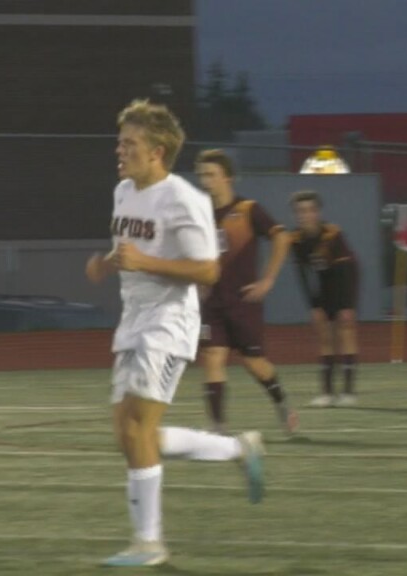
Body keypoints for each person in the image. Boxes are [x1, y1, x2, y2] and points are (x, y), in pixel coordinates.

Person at [85, 100, 265, 567]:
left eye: (130, 143)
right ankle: (237, 448)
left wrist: (147, 263)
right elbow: (127, 248)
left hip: (169, 325)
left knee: (139, 427)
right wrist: (105, 264)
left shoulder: (184, 199)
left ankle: (150, 543)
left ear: (158, 151)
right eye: (120, 141)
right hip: (133, 320)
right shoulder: (124, 190)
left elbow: (207, 269)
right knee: (129, 435)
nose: (120, 150)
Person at [195, 149, 298, 435]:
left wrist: (267, 280)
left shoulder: (249, 210)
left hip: (243, 302)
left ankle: (281, 403)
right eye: (202, 175)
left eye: (211, 175)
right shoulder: (198, 214)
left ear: (227, 177)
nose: (205, 181)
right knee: (213, 357)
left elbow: (282, 237)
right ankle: (218, 426)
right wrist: (196, 279)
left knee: (255, 364)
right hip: (212, 303)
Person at [289, 190, 361, 407]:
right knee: (324, 334)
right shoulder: (296, 239)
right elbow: (303, 274)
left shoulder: (332, 234)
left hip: (344, 279)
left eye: (310, 210)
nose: (305, 215)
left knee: (346, 327)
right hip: (322, 284)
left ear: (317, 212)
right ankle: (327, 393)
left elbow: (346, 269)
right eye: (300, 211)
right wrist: (314, 305)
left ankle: (349, 392)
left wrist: (347, 304)